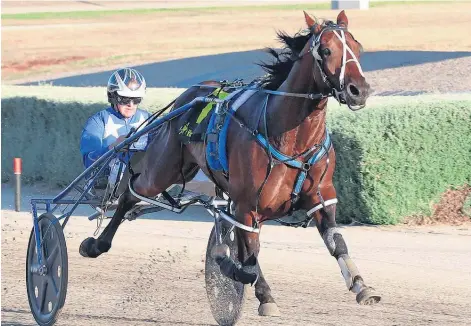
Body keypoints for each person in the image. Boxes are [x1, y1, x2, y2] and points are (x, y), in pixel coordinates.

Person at [80, 67, 151, 197]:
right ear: (113, 97)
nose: (131, 104)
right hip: (105, 181)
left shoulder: (148, 118)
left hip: (143, 177)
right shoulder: (98, 121)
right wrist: (114, 146)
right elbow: (89, 161)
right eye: (125, 99)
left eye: (136, 100)